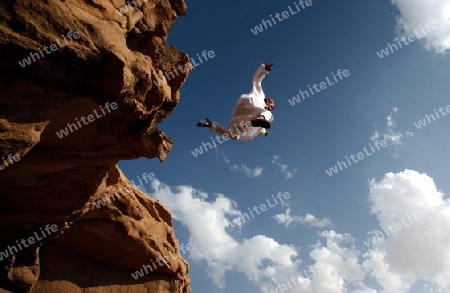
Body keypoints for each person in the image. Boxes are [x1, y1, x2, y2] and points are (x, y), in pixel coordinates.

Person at [196, 62, 275, 141]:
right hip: (248, 104)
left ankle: (210, 124)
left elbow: (261, 126)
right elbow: (257, 81)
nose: (270, 107)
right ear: (267, 100)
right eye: (271, 105)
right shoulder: (261, 95)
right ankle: (260, 118)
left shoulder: (262, 111)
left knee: (234, 135)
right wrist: (263, 69)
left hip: (239, 118)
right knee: (269, 116)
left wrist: (264, 133)